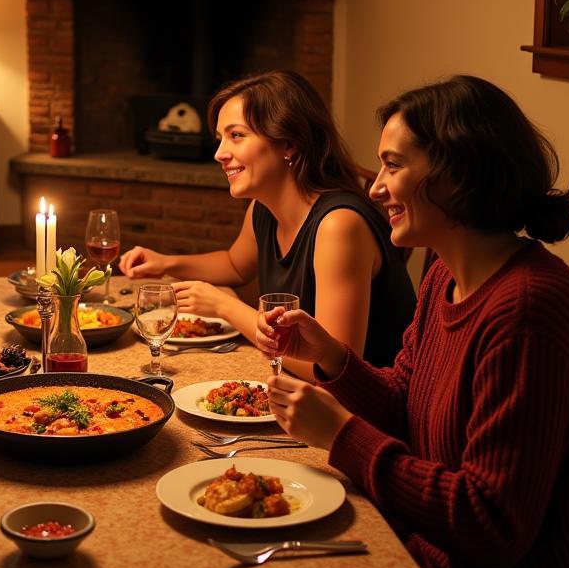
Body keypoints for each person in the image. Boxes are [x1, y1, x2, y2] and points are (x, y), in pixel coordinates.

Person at [257, 75, 569, 568]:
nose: (374, 186)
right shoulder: (445, 272)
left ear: (456, 171)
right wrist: (333, 358)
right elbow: (408, 404)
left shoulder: (528, 309)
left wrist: (340, 435)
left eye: (392, 165)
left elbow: (492, 524)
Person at [120, 71, 415, 374]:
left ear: (288, 143)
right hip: (299, 390)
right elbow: (235, 265)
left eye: (236, 135)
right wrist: (165, 263)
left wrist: (226, 307)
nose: (220, 154)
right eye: (220, 138)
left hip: (368, 414)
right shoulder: (262, 208)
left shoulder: (338, 225)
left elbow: (332, 372)